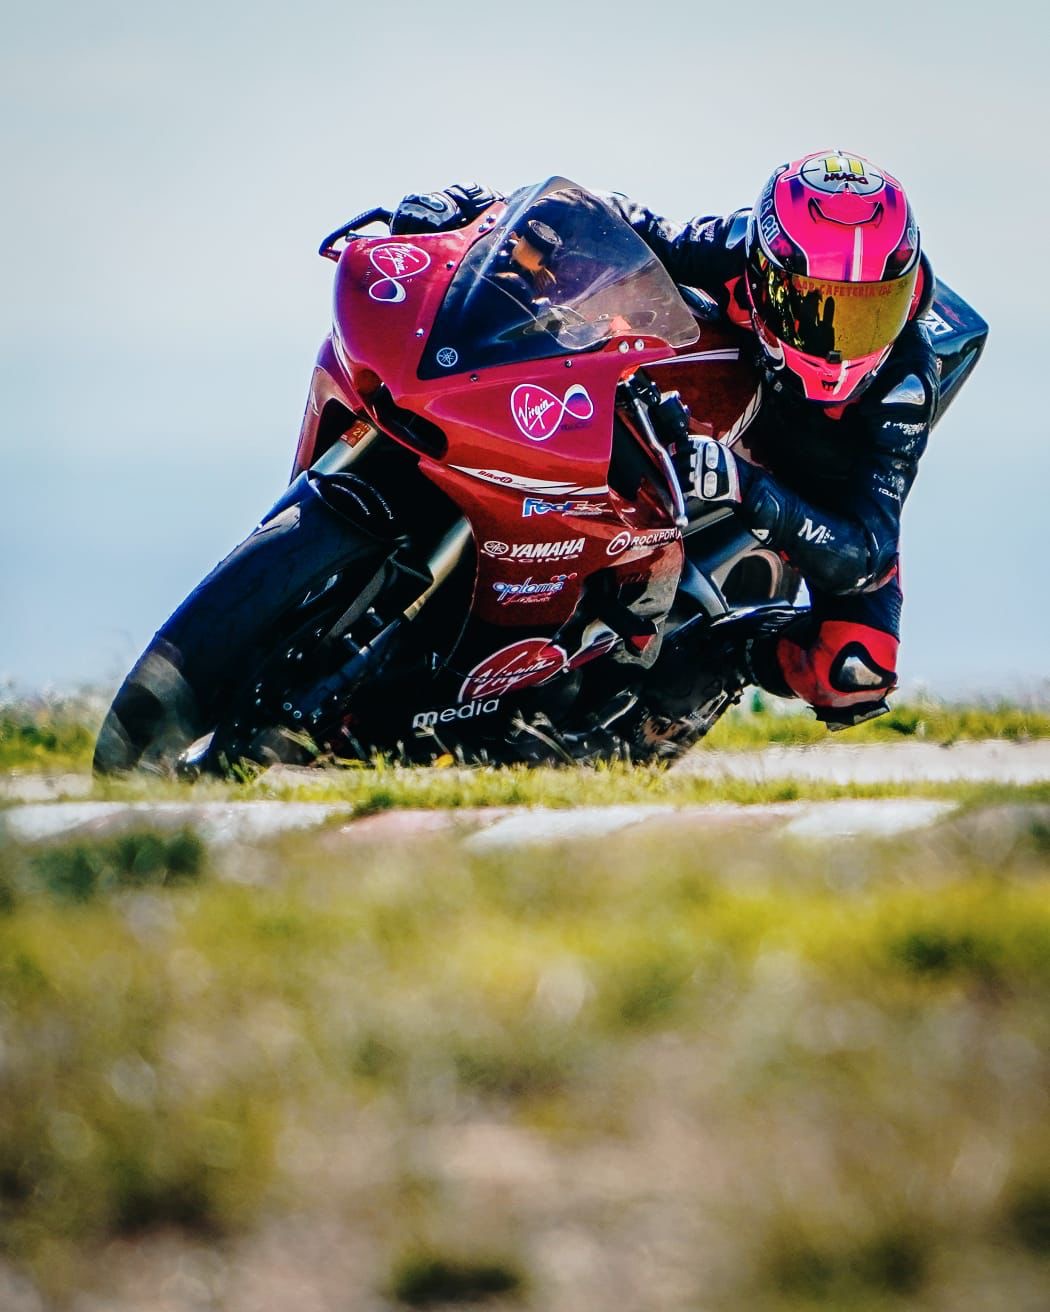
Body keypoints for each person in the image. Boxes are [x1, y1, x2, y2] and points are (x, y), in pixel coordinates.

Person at [391, 154, 940, 728]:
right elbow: (621, 222)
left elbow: (867, 552)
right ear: (765, 270)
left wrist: (744, 485)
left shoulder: (904, 381)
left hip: (810, 484)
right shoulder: (733, 251)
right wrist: (482, 210)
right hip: (712, 407)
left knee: (853, 667)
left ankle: (712, 665)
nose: (838, 343)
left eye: (868, 314)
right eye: (815, 305)